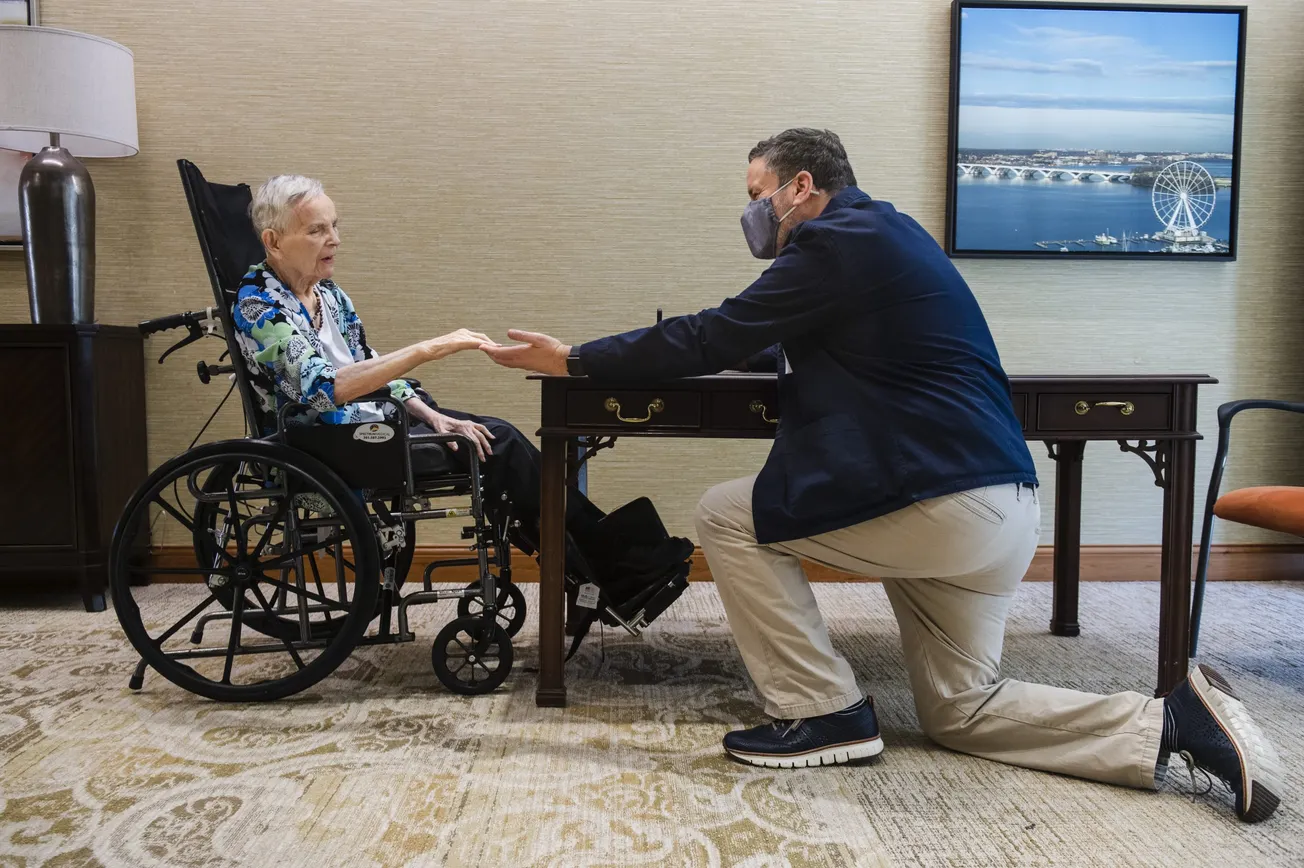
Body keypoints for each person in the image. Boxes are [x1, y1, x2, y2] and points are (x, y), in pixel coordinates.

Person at [480, 128, 1283, 823]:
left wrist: (578, 358)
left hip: (942, 502)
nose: (752, 213)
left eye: (757, 193)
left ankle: (821, 711)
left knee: (726, 514)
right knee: (960, 711)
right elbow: (770, 339)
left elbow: (718, 335)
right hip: (995, 509)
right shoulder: (887, 235)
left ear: (802, 186)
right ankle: (1175, 725)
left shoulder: (836, 241)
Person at [231, 174, 689, 596]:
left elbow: (372, 367)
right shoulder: (258, 307)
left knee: (494, 435)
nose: (334, 239)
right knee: (499, 445)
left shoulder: (330, 296)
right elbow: (324, 388)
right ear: (273, 242)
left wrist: (434, 417)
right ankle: (609, 566)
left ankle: (605, 558)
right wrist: (427, 349)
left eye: (334, 225)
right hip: (323, 442)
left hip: (371, 427)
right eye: (316, 230)